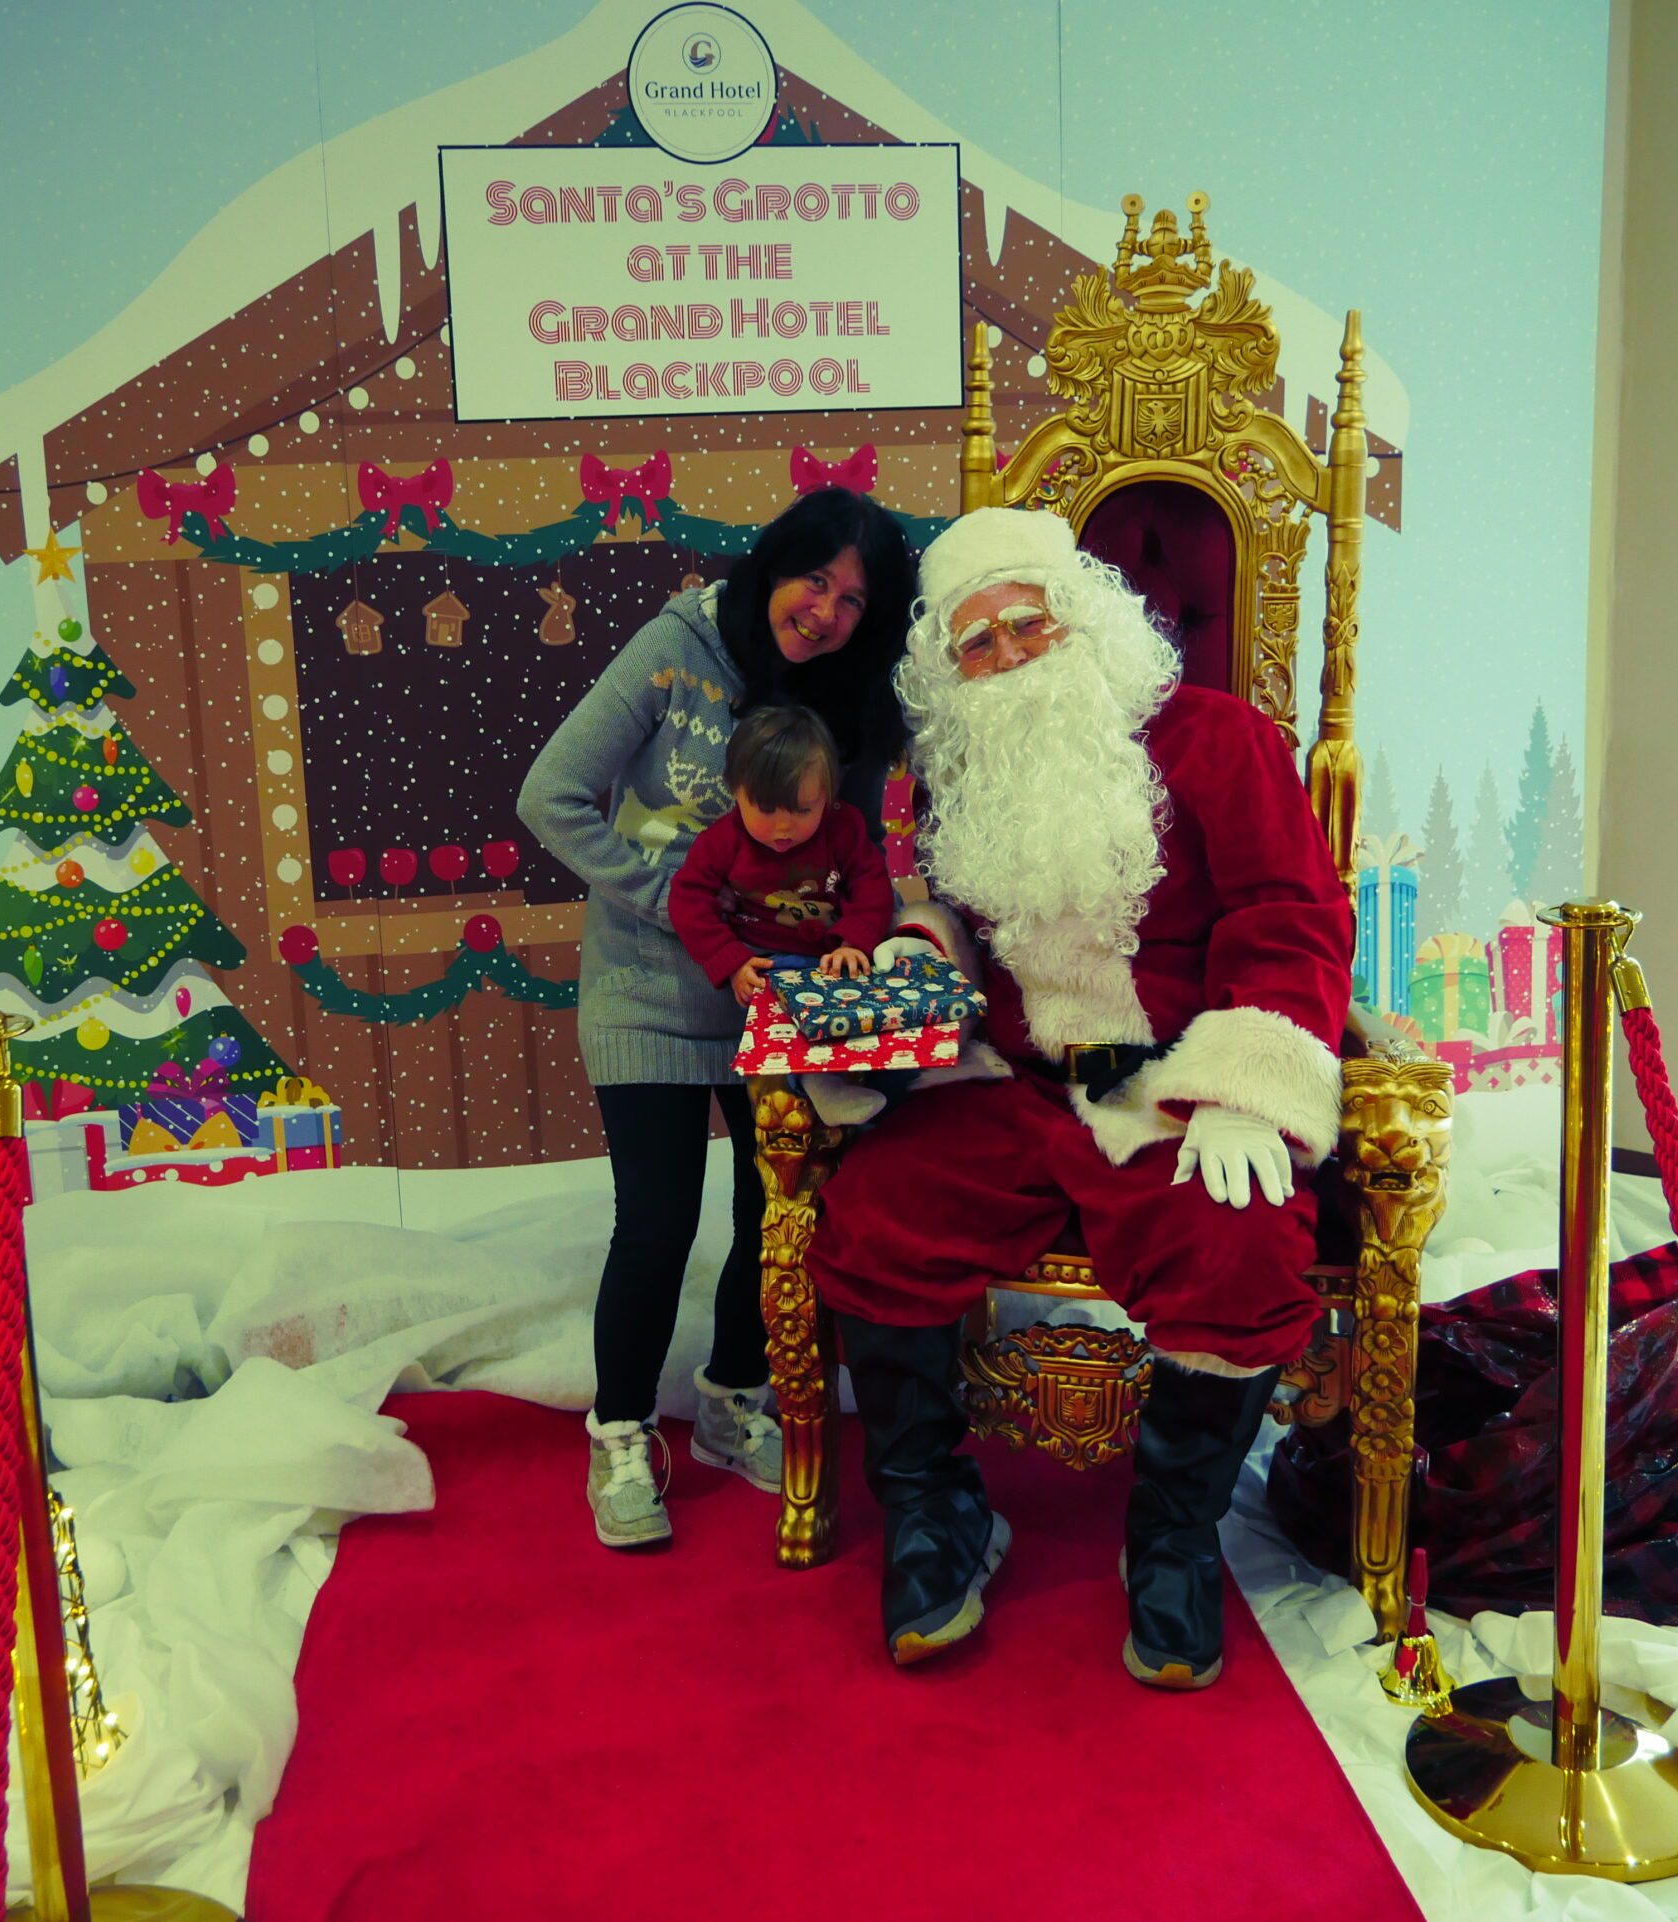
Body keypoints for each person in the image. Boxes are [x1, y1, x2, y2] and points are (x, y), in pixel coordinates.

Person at [811, 506, 1352, 1685]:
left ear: (1083, 618)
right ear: (951, 672)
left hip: (1169, 1077)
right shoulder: (963, 773)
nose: (1009, 653)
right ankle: (937, 1507)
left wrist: (1242, 1087)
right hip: (1013, 1084)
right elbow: (957, 916)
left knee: (1240, 1242)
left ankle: (1172, 1533)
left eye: (1028, 622)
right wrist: (914, 955)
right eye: (977, 642)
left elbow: (1288, 913)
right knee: (872, 1210)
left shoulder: (1217, 738)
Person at [517, 486, 915, 1550]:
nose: (826, 612)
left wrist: (849, 948)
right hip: (648, 991)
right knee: (656, 1221)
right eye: (815, 580)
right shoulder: (675, 649)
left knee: (772, 1214)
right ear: (774, 565)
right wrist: (673, 903)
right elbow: (550, 794)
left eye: (853, 600)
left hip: (773, 1007)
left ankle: (735, 1400)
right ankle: (620, 1430)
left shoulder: (845, 694)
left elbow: (857, 860)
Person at [668, 703, 913, 1126]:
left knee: (879, 1009)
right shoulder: (723, 841)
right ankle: (818, 1084)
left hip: (835, 956)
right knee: (783, 1014)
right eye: (766, 810)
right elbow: (687, 899)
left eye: (802, 810)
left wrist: (854, 941)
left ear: (827, 798)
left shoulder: (843, 827)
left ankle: (899, 1082)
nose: (783, 828)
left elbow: (872, 882)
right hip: (769, 962)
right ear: (736, 792)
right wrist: (731, 960)